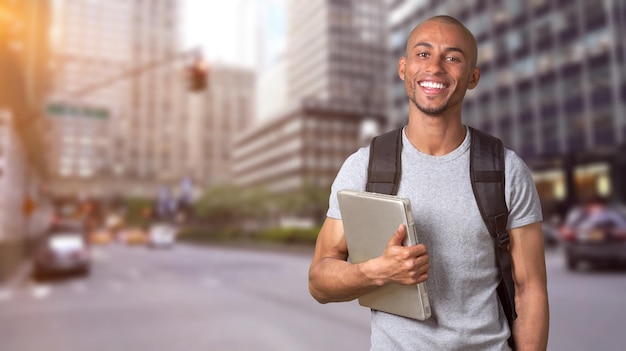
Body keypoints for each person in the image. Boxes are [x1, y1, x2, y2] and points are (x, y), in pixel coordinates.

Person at [308, 15, 549, 350]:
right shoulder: (363, 168)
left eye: (452, 58)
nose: (435, 67)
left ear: (473, 77)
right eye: (423, 54)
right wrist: (376, 272)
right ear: (403, 68)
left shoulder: (506, 169)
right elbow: (320, 282)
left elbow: (529, 289)